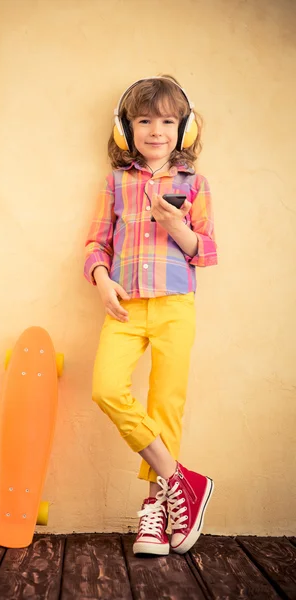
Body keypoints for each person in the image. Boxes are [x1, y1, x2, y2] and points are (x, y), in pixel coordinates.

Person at [84, 75, 217, 556]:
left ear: (183, 129)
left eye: (166, 120)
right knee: (106, 388)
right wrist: (102, 280)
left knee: (165, 406)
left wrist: (177, 226)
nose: (155, 130)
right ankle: (184, 481)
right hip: (125, 306)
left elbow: (205, 252)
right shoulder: (115, 182)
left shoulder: (194, 184)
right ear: (126, 129)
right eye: (144, 120)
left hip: (175, 306)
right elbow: (95, 243)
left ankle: (156, 515)